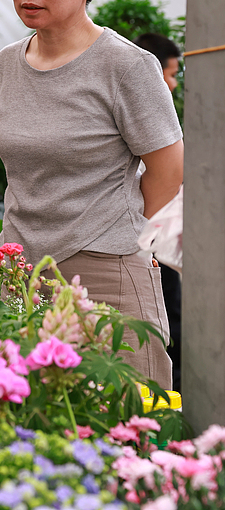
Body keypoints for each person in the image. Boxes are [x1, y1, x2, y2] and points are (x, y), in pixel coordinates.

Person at [0, 0, 184, 387]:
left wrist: (118, 228)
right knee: (30, 421)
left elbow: (168, 170)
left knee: (122, 419)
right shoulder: (6, 65)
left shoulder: (127, 66)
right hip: (19, 270)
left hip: (105, 274)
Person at [133, 32, 184, 390]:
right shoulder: (142, 109)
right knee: (165, 322)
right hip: (144, 237)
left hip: (149, 234)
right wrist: (142, 229)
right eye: (172, 74)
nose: (174, 83)